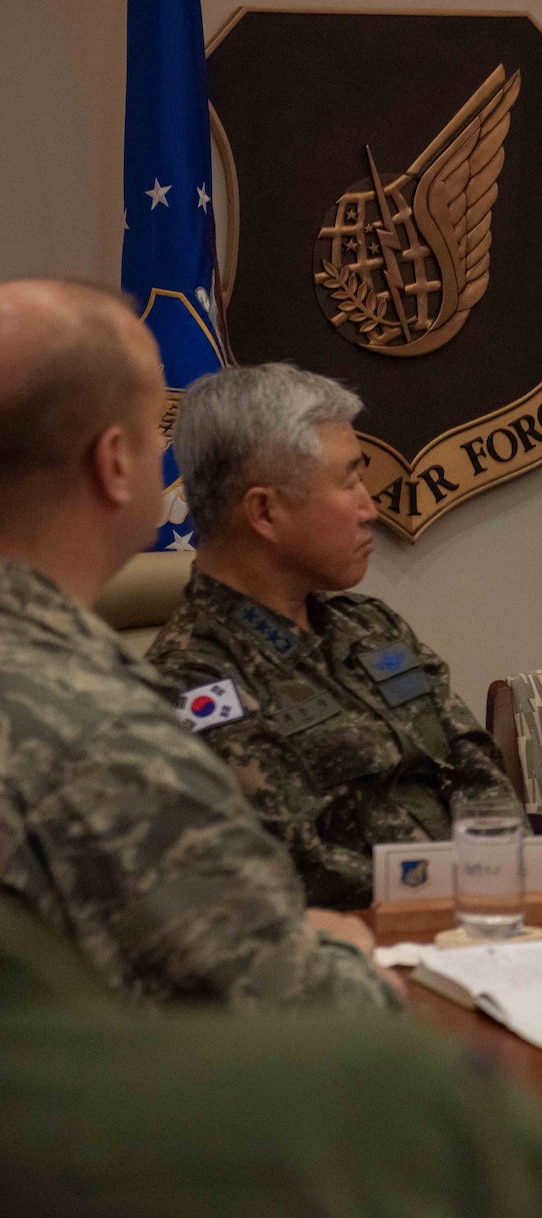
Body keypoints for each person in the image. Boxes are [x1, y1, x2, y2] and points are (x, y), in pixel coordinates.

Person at [0, 280, 393, 1008]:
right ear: (114, 463)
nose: (169, 458)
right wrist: (344, 952)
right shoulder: (101, 728)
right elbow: (299, 1009)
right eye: (157, 430)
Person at [0, 896, 542, 1218]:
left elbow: (475, 785)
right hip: (332, 953)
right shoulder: (390, 1092)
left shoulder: (376, 637)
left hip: (424, 935)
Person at [147, 363, 518, 910]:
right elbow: (299, 869)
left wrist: (506, 873)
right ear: (265, 511)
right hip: (357, 962)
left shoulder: (372, 627)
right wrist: (460, 893)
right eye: (348, 482)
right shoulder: (193, 679)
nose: (369, 508)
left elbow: (478, 769)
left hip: (483, 924)